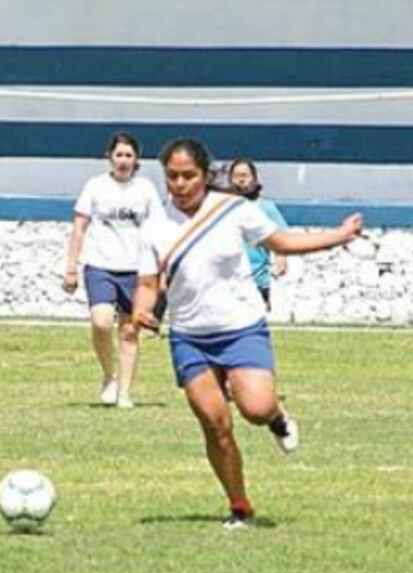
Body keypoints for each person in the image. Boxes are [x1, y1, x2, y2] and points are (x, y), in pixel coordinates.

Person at [125, 138, 363, 529]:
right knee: (215, 423)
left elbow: (281, 242)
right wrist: (140, 311)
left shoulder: (235, 210)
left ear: (205, 175)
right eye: (173, 176)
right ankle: (239, 506)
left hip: (241, 329)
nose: (181, 184)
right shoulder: (155, 225)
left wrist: (336, 236)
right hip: (189, 335)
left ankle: (277, 417)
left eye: (189, 176)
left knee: (255, 408)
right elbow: (148, 284)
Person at [62, 132, 164, 408]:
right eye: (119, 155)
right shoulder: (95, 186)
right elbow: (79, 228)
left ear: (136, 159)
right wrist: (70, 268)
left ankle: (124, 393)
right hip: (100, 265)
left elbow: (159, 232)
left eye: (129, 155)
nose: (123, 160)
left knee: (130, 331)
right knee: (102, 321)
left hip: (137, 270)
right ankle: (109, 376)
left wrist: (162, 271)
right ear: (110, 157)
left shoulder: (146, 189)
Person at [227, 158, 288, 309]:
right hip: (229, 282)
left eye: (245, 175)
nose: (241, 180)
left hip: (258, 281)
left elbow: (282, 236)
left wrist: (282, 257)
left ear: (254, 178)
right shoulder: (223, 208)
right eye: (237, 176)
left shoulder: (266, 208)